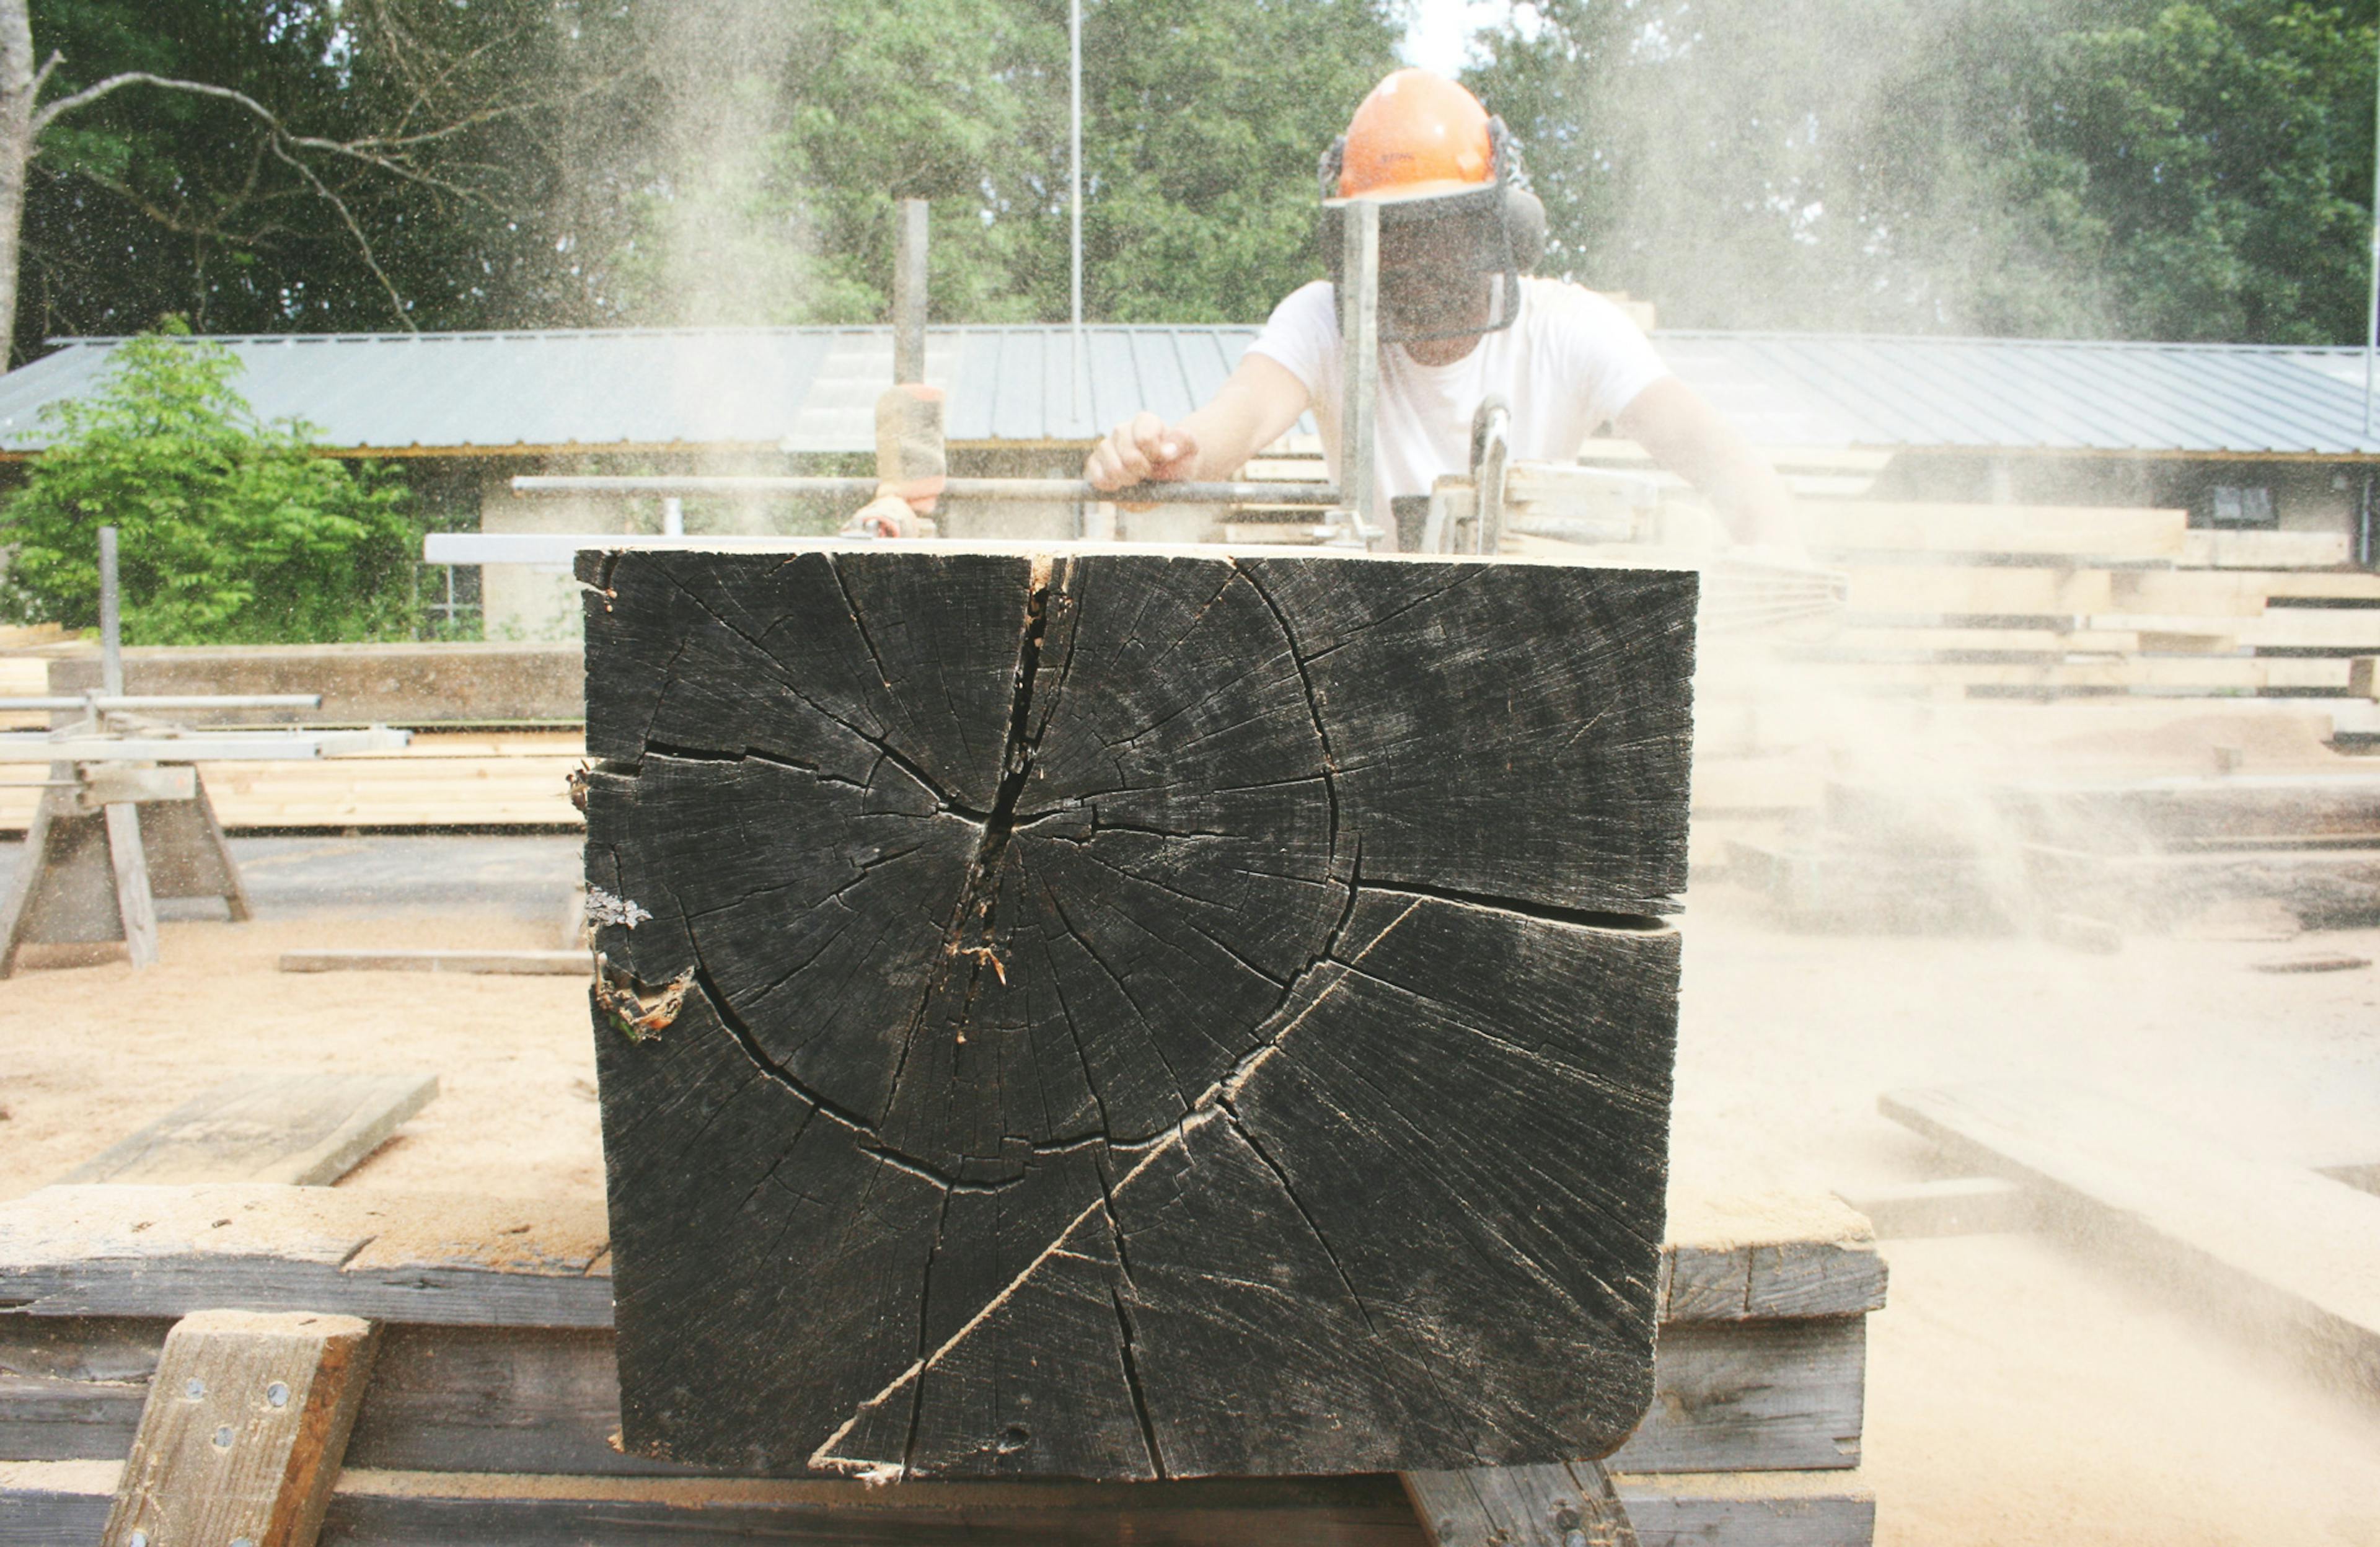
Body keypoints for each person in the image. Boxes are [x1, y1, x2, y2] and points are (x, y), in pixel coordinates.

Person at [1082, 68, 1797, 551]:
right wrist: (1159, 460)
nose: (1419, 261)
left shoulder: (1569, 330)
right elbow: (1232, 423)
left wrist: (1772, 540)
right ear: (1353, 243)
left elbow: (1715, 457)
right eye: (1394, 237)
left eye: (1441, 231)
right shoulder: (1324, 319)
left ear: (1500, 227)